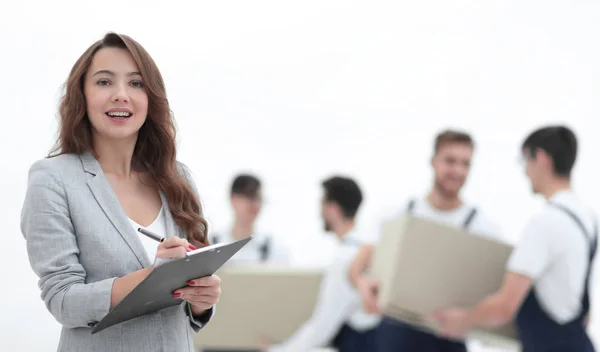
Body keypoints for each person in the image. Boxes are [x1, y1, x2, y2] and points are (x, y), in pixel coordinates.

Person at [20, 32, 221, 352]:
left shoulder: (176, 177)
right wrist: (153, 278)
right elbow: (62, 300)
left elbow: (184, 306)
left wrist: (201, 301)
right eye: (104, 82)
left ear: (151, 97)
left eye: (136, 83)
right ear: (82, 95)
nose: (121, 94)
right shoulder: (53, 179)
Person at [431, 125, 596, 352]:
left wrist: (461, 320)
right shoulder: (587, 220)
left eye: (525, 161)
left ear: (540, 157)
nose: (525, 171)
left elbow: (504, 307)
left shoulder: (545, 223)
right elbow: (585, 314)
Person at [348, 129, 508, 352]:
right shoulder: (400, 214)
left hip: (449, 338)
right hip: (395, 335)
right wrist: (364, 286)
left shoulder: (483, 227)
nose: (457, 170)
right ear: (433, 162)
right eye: (450, 161)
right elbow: (356, 268)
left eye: (465, 164)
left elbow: (498, 293)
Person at [262, 176, 380, 352]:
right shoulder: (367, 248)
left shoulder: (345, 259)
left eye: (322, 204)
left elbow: (322, 328)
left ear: (332, 208)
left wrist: (277, 350)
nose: (320, 212)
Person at [209, 174, 289, 266]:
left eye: (259, 199)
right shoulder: (211, 245)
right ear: (233, 199)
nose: (255, 205)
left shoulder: (274, 249)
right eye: (250, 197)